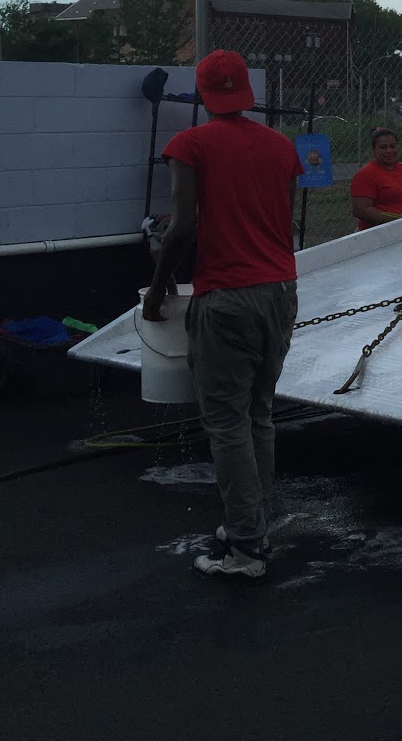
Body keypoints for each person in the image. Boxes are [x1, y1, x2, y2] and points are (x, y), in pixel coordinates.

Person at [142, 50, 302, 582]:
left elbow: (181, 226)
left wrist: (157, 290)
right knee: (259, 412)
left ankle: (246, 549)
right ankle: (252, 522)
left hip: (227, 296)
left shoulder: (189, 144)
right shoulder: (282, 147)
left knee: (227, 422)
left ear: (204, 93)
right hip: (280, 290)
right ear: (248, 94)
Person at [350, 126, 402, 230]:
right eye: (383, 147)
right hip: (377, 232)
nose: (389, 151)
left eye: (392, 146)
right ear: (373, 150)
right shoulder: (365, 175)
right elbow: (361, 210)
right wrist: (397, 222)